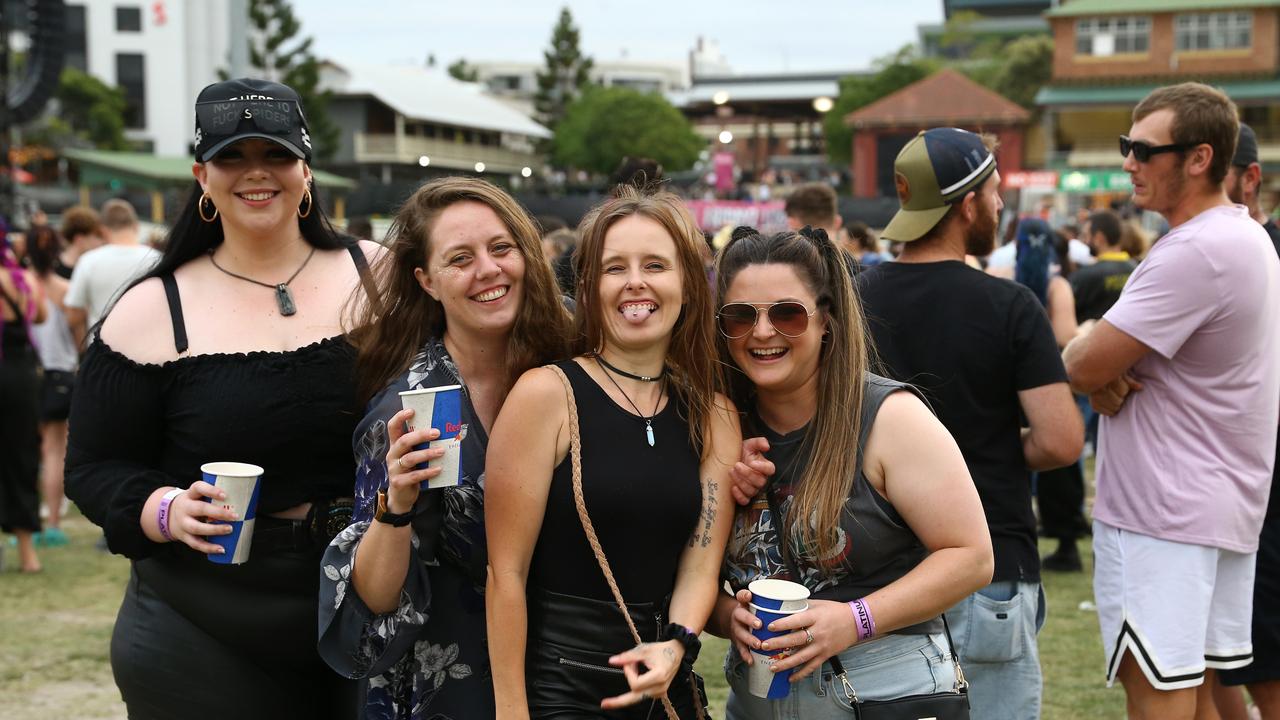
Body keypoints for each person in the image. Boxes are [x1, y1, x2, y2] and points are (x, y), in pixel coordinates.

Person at [64, 78, 378, 719]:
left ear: (306, 169)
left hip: (370, 595)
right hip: (205, 622)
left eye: (276, 155)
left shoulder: (384, 275)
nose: (255, 173)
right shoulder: (150, 310)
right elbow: (93, 468)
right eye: (233, 157)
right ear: (201, 175)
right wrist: (167, 509)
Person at [710, 225, 993, 717]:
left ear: (826, 321)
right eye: (739, 316)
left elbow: (971, 556)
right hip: (759, 699)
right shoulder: (719, 429)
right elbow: (690, 578)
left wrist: (855, 619)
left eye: (787, 314)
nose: (761, 332)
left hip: (883, 690)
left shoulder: (889, 418)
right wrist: (727, 615)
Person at [1063, 83, 1280, 720]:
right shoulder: (1243, 237)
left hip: (1163, 511)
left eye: (1142, 149)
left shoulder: (1194, 249)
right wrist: (1102, 359)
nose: (1128, 161)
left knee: (1159, 694)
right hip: (1214, 504)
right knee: (1196, 691)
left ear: (1198, 158)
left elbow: (1084, 363)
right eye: (1126, 145)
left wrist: (1093, 354)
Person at [317, 177, 572, 719]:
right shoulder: (409, 412)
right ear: (426, 281)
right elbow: (373, 607)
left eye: (501, 248)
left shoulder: (576, 363)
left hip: (576, 675)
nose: (488, 269)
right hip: (452, 690)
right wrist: (397, 506)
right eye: (460, 258)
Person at [486, 186, 740, 719]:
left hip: (664, 681)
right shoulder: (547, 395)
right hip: (560, 685)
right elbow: (505, 574)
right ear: (590, 286)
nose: (636, 283)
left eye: (655, 265)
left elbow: (701, 560)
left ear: (689, 285)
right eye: (614, 267)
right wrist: (511, 710)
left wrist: (678, 644)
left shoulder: (714, 413)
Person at [857, 127, 1083, 720]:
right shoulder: (1010, 306)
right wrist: (987, 443)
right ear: (967, 204)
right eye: (995, 191)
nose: (1002, 205)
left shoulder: (853, 301)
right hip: (988, 562)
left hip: (877, 570)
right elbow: (1061, 441)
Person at [1217, 122, 1280, 720]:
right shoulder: (1194, 255)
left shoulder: (1267, 255)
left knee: (1264, 667)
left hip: (1265, 494)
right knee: (1208, 662)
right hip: (1216, 494)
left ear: (1249, 178)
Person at [26, 224, 77, 547]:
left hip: (26, 373)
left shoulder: (17, 286)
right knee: (56, 449)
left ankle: (28, 522)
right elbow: (77, 334)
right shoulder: (65, 289)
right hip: (61, 374)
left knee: (26, 449)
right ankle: (54, 522)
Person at [1, 231, 46, 573]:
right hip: (20, 375)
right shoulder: (24, 279)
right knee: (22, 456)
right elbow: (41, 315)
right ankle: (28, 554)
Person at [64, 198, 159, 347]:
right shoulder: (157, 259)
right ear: (136, 226)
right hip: (149, 351)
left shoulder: (88, 261)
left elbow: (72, 315)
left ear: (103, 230)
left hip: (102, 352)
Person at [55, 206, 103, 280]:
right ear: (79, 239)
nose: (100, 242)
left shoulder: (95, 267)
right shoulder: (52, 268)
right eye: (96, 236)